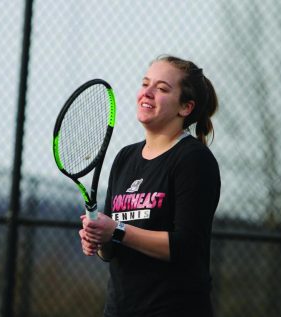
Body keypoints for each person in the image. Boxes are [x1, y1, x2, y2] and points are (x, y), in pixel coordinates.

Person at [79, 55, 221, 317]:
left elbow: (186, 247)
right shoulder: (125, 158)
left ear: (185, 108)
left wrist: (117, 230)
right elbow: (110, 250)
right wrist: (98, 237)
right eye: (146, 83)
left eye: (162, 88)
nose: (147, 92)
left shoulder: (194, 160)